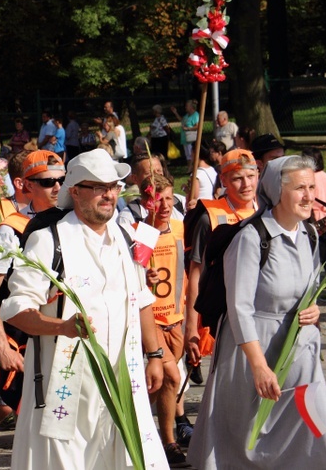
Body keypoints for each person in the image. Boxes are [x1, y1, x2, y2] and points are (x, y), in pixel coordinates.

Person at [0, 148, 167, 469]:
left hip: (122, 381)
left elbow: (140, 298)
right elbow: (16, 310)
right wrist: (61, 327)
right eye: (98, 187)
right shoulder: (49, 241)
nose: (109, 194)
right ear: (74, 191)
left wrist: (156, 355)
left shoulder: (124, 236)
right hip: (66, 389)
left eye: (114, 186)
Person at [187, 155, 326, 468]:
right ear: (276, 191)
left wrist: (313, 310)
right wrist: (259, 366)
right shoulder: (251, 238)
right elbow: (239, 308)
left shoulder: (310, 235)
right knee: (246, 439)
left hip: (299, 351)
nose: (308, 195)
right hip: (252, 351)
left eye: (311, 187)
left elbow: (308, 290)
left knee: (311, 429)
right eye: (299, 188)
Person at [0, 151, 65, 469]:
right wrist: (2, 346)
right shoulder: (13, 228)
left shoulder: (72, 220)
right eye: (48, 182)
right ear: (27, 186)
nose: (57, 187)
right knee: (10, 403)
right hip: (21, 329)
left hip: (60, 326)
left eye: (62, 180)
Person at [184, 150, 259, 370]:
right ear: (224, 180)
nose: (246, 184)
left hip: (260, 311)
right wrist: (191, 328)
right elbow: (195, 273)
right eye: (237, 178)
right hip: (223, 316)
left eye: (251, 176)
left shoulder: (267, 211)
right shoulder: (210, 217)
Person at [136, 174, 189, 466]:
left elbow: (188, 272)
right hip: (151, 320)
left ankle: (136, 425)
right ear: (147, 202)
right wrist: (144, 275)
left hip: (175, 319)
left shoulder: (181, 228)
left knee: (159, 385)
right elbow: (133, 274)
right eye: (158, 199)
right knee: (171, 375)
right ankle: (169, 441)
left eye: (169, 198)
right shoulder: (142, 232)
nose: (165, 205)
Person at [170, 100, 199, 167]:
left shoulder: (195, 115)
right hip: (185, 138)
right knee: (187, 155)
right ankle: (189, 167)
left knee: (191, 154)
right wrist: (175, 112)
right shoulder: (187, 115)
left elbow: (198, 126)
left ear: (191, 107)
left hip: (191, 138)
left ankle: (191, 168)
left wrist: (188, 129)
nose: (185, 107)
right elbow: (181, 120)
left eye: (187, 106)